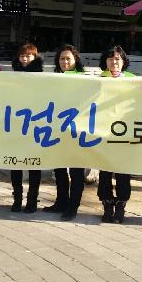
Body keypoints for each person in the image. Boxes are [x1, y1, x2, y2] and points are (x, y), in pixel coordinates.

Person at [43, 44, 87, 221]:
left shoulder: (84, 79)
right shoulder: (54, 79)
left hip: (77, 131)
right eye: (62, 58)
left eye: (68, 58)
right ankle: (61, 202)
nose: (65, 62)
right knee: (60, 169)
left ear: (76, 60)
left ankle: (73, 207)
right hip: (57, 130)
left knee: (76, 171)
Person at [97, 45, 134, 223]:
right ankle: (107, 205)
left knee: (123, 171)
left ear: (124, 61)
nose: (114, 62)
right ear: (105, 61)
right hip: (104, 132)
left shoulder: (133, 79)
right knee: (104, 170)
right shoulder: (98, 80)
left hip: (125, 132)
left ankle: (120, 205)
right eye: (110, 58)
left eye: (117, 58)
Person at [9, 43, 44, 213]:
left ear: (35, 57)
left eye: (28, 56)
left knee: (34, 164)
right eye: (22, 56)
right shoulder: (13, 76)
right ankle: (17, 198)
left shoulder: (42, 77)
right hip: (15, 125)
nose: (25, 59)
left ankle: (32, 199)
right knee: (15, 163)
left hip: (35, 126)